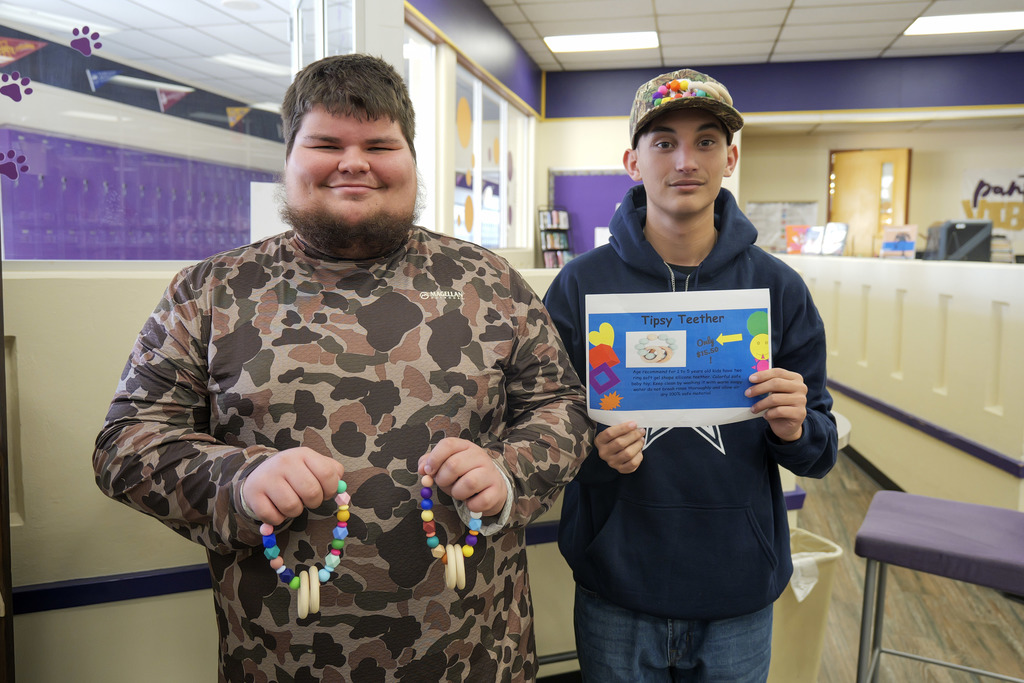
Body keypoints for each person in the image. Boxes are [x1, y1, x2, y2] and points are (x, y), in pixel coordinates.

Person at [93, 53, 592, 682]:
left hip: (474, 655)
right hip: (278, 659)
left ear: (411, 159)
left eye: (379, 144)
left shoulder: (487, 282)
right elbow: (125, 444)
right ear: (290, 157)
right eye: (326, 142)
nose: (353, 162)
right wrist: (237, 483)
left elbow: (563, 410)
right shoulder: (212, 290)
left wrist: (508, 471)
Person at [542, 68, 838, 682]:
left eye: (706, 141)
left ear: (729, 158)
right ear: (632, 161)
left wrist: (794, 426)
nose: (685, 160)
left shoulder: (778, 288)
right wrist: (591, 452)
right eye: (663, 142)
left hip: (738, 586)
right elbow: (543, 425)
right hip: (616, 582)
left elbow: (820, 451)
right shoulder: (579, 285)